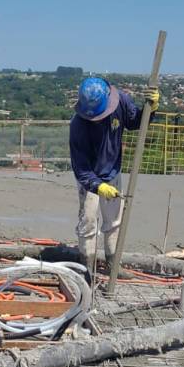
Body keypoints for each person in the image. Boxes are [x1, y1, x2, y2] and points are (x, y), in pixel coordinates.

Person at [69, 77, 159, 273]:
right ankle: (87, 267)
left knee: (114, 222)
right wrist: (97, 186)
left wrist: (150, 109)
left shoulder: (122, 102)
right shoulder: (78, 125)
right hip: (89, 179)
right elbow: (81, 168)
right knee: (88, 222)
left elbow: (135, 122)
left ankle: (112, 264)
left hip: (112, 171)